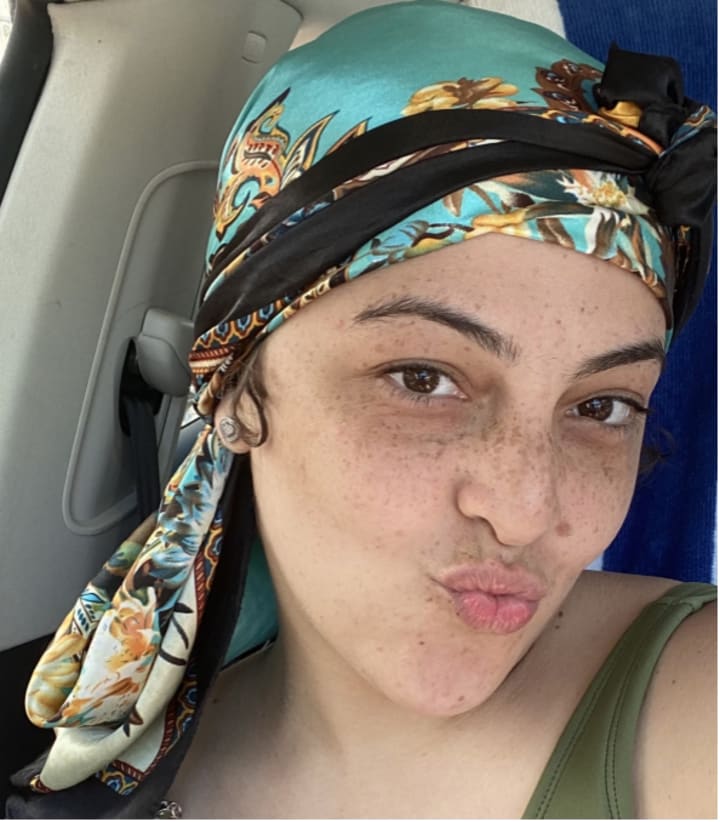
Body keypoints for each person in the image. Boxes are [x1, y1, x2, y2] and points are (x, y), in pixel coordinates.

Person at [6, 1, 716, 818]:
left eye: (601, 405)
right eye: (422, 379)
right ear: (235, 388)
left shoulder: (693, 715)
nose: (526, 512)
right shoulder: (114, 750)